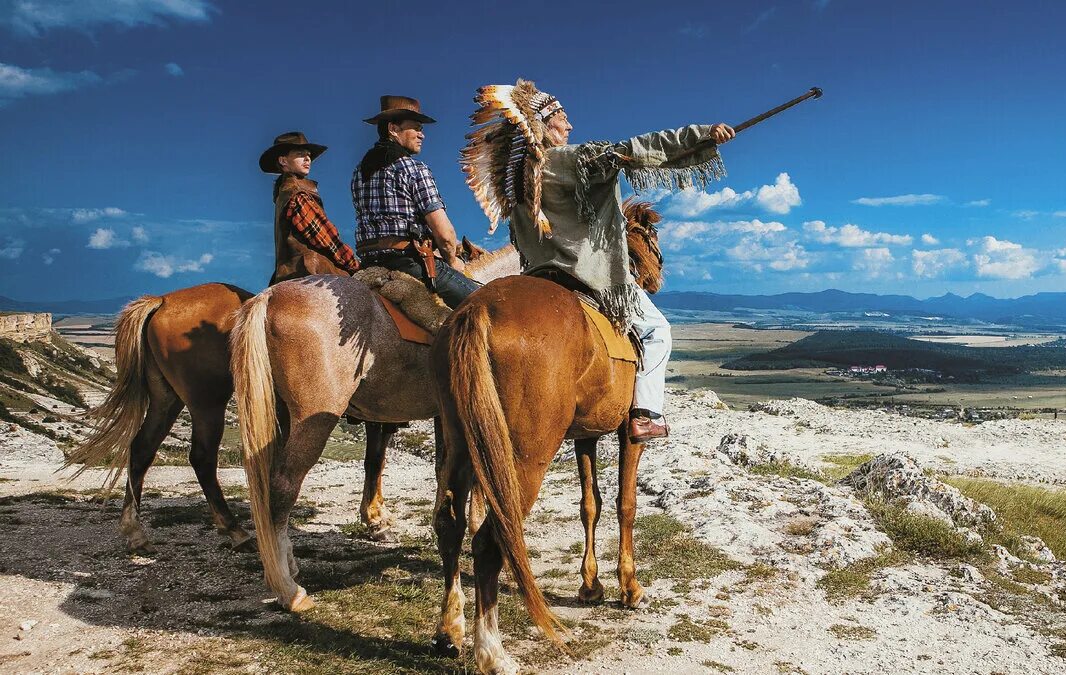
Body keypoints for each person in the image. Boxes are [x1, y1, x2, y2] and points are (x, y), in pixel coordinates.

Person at [462, 80, 735, 442]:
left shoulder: (517, 179)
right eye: (562, 117)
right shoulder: (570, 160)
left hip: (537, 277)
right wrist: (700, 135)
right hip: (586, 276)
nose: (570, 126)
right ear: (543, 124)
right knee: (658, 331)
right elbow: (635, 149)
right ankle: (645, 414)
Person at [352, 96, 480, 308]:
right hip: (409, 264)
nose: (422, 135)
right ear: (393, 129)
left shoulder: (359, 173)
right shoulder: (413, 169)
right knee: (489, 305)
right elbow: (445, 234)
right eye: (417, 129)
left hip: (368, 264)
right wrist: (453, 261)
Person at [258, 131, 360, 284]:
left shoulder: (284, 192)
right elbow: (325, 237)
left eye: (309, 155)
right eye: (300, 154)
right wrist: (355, 265)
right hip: (308, 273)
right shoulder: (297, 193)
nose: (308, 158)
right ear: (283, 161)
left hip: (286, 276)